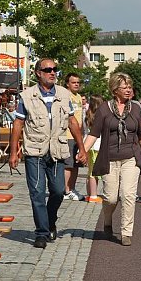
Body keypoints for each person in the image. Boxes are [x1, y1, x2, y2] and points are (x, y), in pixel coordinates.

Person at [9, 59, 87, 249]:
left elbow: (72, 122)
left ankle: (50, 220)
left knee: (59, 191)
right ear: (38, 73)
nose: (52, 73)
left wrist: (82, 148)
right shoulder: (27, 96)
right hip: (35, 151)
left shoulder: (63, 94)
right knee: (36, 192)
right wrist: (13, 152)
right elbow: (18, 124)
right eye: (48, 69)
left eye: (55, 70)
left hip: (57, 150)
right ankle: (42, 233)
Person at [83, 73, 141, 246]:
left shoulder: (135, 109)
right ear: (115, 90)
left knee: (128, 195)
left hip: (131, 157)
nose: (128, 90)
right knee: (111, 198)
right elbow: (94, 133)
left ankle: (125, 232)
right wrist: (83, 150)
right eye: (124, 87)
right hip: (109, 158)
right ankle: (107, 219)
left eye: (130, 87)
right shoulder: (104, 109)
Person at [63, 72, 85, 201]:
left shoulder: (78, 97)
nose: (76, 84)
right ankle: (66, 190)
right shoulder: (66, 96)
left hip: (77, 135)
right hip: (68, 135)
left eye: (78, 82)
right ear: (67, 84)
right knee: (68, 164)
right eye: (73, 82)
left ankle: (72, 187)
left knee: (76, 164)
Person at [84, 95, 105, 203]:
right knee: (96, 172)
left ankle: (90, 194)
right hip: (98, 146)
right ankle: (93, 195)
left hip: (89, 146)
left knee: (91, 172)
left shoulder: (88, 115)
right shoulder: (101, 116)